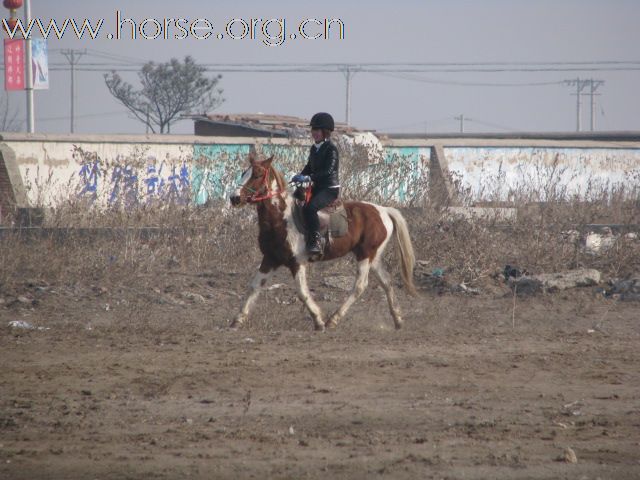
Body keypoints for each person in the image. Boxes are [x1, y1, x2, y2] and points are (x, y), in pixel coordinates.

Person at [291, 112, 340, 255]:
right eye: (313, 130)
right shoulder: (314, 149)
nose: (314, 133)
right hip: (316, 186)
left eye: (317, 130)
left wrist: (308, 178)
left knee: (310, 208)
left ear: (325, 132)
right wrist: (300, 175)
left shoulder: (331, 149)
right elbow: (309, 166)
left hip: (329, 189)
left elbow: (328, 171)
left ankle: (316, 241)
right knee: (295, 202)